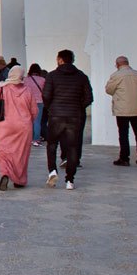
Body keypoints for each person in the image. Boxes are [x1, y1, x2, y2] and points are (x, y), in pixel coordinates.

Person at [0, 65, 39, 190]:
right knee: (21, 154)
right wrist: (28, 121)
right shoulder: (27, 90)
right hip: (23, 127)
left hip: (4, 125)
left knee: (1, 150)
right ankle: (19, 180)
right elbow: (34, 111)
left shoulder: (2, 88)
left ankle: (5, 172)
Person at [42, 49, 93, 190]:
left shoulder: (52, 76)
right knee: (72, 147)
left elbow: (46, 95)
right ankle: (70, 180)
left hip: (56, 116)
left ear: (60, 60)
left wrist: (51, 108)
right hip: (74, 117)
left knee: (52, 145)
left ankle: (52, 171)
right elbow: (89, 97)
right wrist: (78, 107)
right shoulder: (81, 76)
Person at [105, 55, 137, 166]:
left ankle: (124, 158)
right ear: (127, 63)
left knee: (123, 134)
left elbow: (109, 90)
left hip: (122, 109)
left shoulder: (116, 75)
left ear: (117, 64)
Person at [25, 64, 46, 146]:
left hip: (28, 102)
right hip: (39, 102)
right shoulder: (43, 80)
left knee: (29, 121)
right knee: (37, 121)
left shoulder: (26, 80)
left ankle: (29, 138)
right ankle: (36, 139)